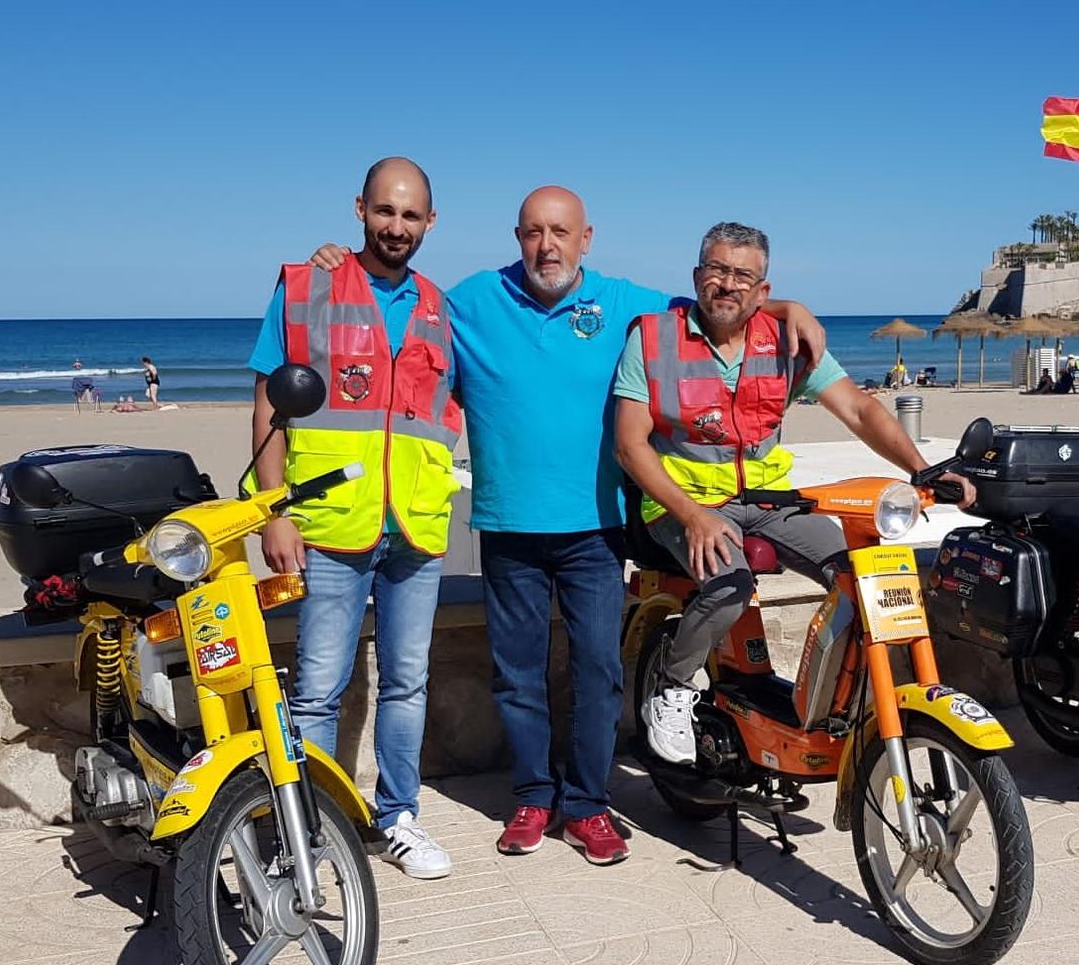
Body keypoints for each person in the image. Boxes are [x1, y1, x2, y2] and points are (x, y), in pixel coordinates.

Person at [305, 188, 826, 866]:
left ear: (586, 238)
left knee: (598, 671)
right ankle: (532, 796)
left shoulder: (627, 303)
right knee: (516, 673)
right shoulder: (468, 302)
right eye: (533, 232)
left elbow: (715, 305)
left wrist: (788, 307)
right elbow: (389, 313)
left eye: (561, 232)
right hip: (508, 521)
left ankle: (586, 803)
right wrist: (337, 266)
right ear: (517, 236)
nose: (547, 245)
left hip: (596, 525)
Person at [615, 223, 973, 766]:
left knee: (862, 574)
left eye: (742, 275)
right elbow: (629, 445)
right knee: (729, 584)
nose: (727, 284)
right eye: (716, 269)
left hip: (766, 500)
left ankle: (825, 704)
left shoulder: (785, 342)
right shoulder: (654, 341)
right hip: (681, 503)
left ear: (763, 291)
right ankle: (674, 684)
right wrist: (691, 517)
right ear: (696, 276)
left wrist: (922, 471)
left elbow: (859, 409)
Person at [250, 157, 456, 880]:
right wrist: (273, 513)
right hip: (330, 525)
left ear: (430, 223)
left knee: (407, 683)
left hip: (416, 528)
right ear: (359, 208)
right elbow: (268, 403)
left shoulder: (442, 307)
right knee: (317, 689)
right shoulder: (306, 287)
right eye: (384, 211)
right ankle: (303, 830)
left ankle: (399, 817)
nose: (395, 226)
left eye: (410, 215)